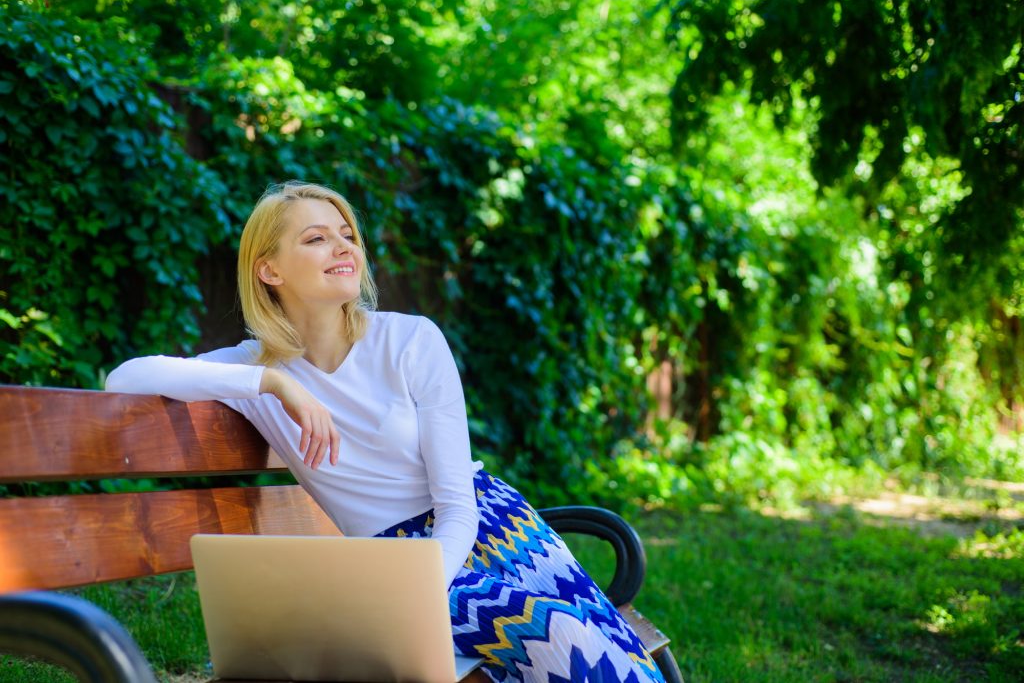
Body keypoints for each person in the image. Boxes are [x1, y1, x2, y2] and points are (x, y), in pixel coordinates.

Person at [106, 181, 666, 683]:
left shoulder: (412, 340)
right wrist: (274, 381)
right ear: (269, 269)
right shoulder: (252, 369)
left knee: (590, 649)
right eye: (317, 238)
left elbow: (456, 506)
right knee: (558, 639)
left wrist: (422, 587)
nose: (344, 247)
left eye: (347, 234)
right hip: (385, 559)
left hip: (488, 532)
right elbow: (123, 378)